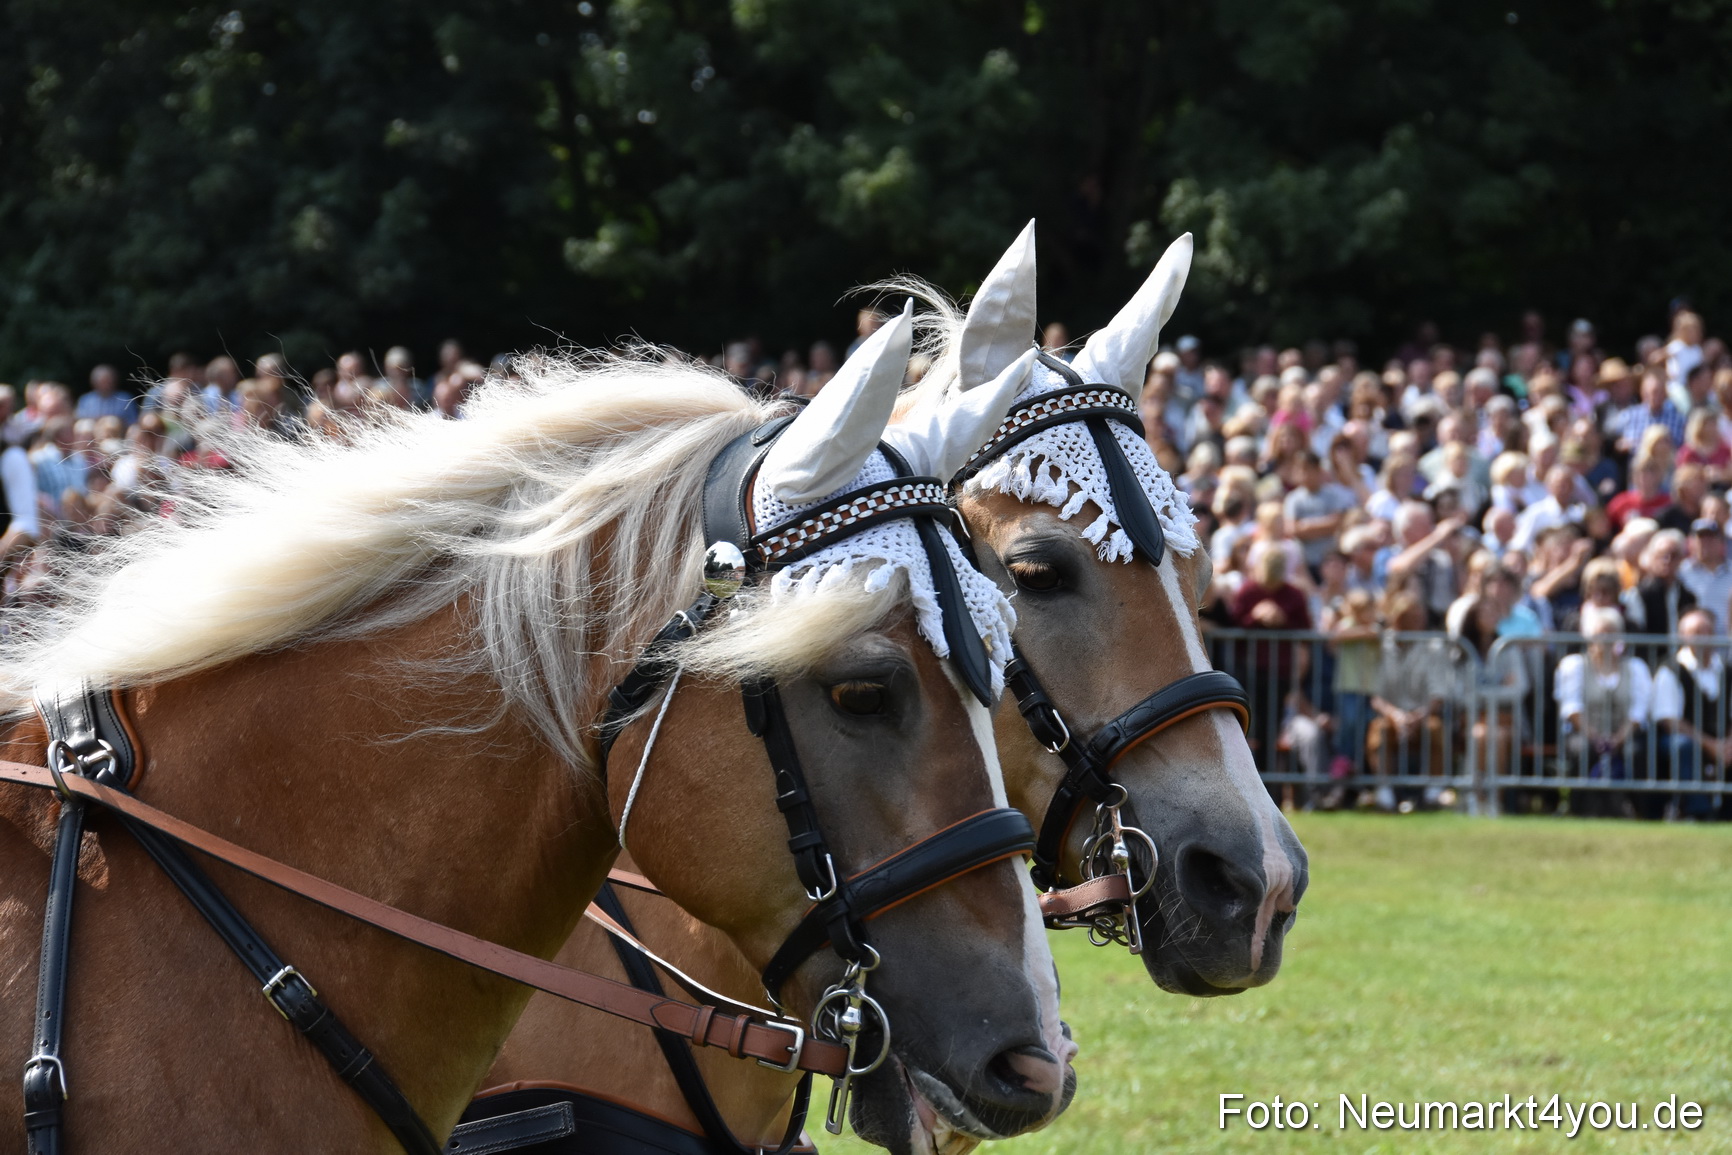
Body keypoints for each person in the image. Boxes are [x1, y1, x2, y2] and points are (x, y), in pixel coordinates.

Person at [1555, 605, 1651, 817]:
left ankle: (1639, 811)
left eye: (1611, 633)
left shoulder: (1636, 667)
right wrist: (1596, 738)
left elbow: (1639, 710)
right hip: (1585, 733)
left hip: (1624, 734)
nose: (1606, 639)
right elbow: (1572, 708)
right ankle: (1579, 808)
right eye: (1600, 633)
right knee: (1582, 750)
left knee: (1635, 752)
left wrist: (1618, 739)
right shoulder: (1574, 665)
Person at [1365, 593, 1453, 810]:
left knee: (1435, 729)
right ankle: (1384, 793)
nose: (1418, 621)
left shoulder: (1433, 646)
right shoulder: (1381, 647)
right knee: (1378, 731)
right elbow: (1375, 696)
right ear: (1398, 618)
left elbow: (1438, 695)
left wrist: (1417, 717)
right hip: (1391, 716)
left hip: (1423, 715)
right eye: (1411, 617)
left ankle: (1432, 793)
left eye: (1420, 616)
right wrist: (1396, 716)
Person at [1652, 608, 1726, 820]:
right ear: (1683, 636)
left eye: (1708, 631)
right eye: (1697, 632)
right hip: (1682, 740)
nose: (1704, 637)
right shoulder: (1670, 669)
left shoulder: (1725, 669)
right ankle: (1697, 811)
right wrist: (1710, 744)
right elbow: (1669, 720)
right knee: (1683, 746)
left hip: (1720, 740)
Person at [1284, 450, 1357, 575]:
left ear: (1318, 470)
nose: (1304, 473)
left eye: (1308, 469)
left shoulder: (1333, 495)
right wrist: (1322, 526)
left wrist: (1306, 526)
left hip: (1328, 562)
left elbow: (1336, 523)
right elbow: (1292, 529)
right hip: (1305, 563)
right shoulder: (1293, 499)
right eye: (1300, 469)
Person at [1620, 528, 1696, 635]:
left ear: (1681, 559)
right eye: (1662, 555)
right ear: (1652, 558)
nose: (1667, 560)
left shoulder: (1688, 597)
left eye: (1673, 555)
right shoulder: (1639, 595)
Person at [1679, 518, 1732, 631]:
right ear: (1691, 542)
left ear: (1721, 542)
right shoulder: (1682, 572)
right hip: (1694, 644)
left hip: (1727, 645)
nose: (1705, 544)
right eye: (1701, 539)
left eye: (1710, 538)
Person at [75, 364, 141, 425]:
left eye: (108, 381)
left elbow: (133, 422)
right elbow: (80, 422)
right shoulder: (85, 400)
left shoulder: (126, 398)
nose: (105, 385)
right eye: (102, 381)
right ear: (93, 382)